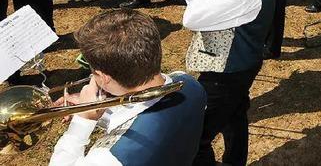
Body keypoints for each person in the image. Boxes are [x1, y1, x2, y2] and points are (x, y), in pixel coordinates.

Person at [173, 0, 276, 166]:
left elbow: (192, 19)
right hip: (242, 63)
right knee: (235, 118)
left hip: (226, 71)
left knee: (195, 138)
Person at [49, 9, 207, 166]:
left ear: (103, 77)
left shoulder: (108, 158)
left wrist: (83, 120)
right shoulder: (188, 82)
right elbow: (139, 113)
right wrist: (92, 107)